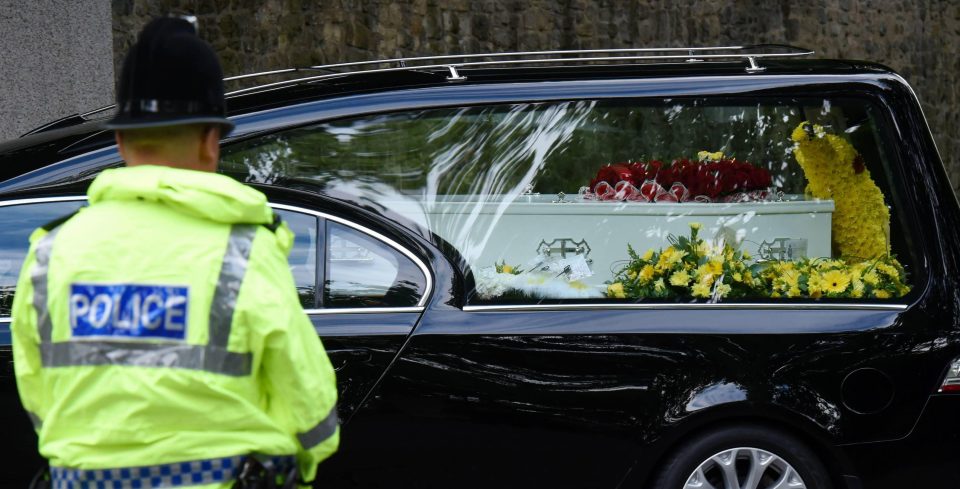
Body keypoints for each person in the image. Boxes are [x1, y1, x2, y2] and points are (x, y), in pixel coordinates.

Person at [12, 16, 338, 489]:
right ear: (211, 140)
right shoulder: (245, 252)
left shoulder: (50, 254)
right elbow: (312, 411)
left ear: (121, 140)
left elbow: (39, 393)